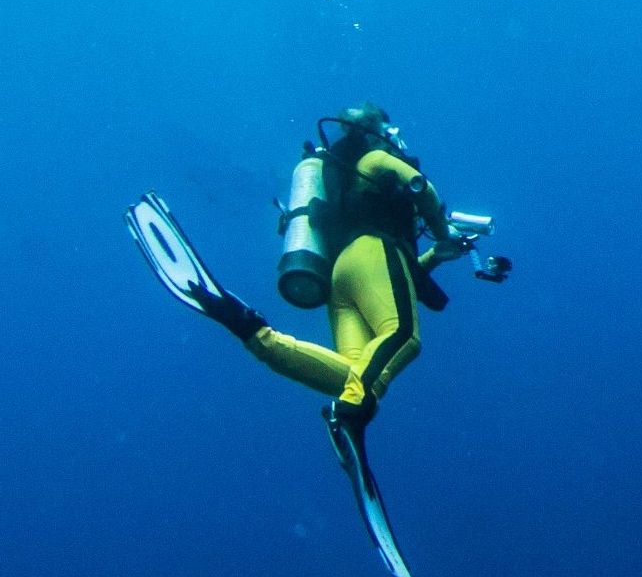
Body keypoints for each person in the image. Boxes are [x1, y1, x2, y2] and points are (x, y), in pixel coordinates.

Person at [187, 103, 475, 435]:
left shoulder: (341, 183)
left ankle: (255, 333)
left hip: (341, 277)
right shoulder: (374, 160)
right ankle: (351, 413)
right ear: (379, 132)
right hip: (375, 251)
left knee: (355, 371)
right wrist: (443, 232)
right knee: (403, 336)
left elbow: (400, 280)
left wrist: (438, 254)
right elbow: (422, 187)